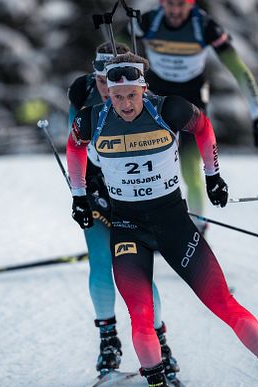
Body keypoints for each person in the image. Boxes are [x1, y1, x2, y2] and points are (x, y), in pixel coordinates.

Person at [66, 52, 258, 387]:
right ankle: (158, 382)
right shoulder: (93, 119)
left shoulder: (168, 109)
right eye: (117, 96)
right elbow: (74, 146)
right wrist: (79, 194)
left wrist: (213, 176)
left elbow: (204, 128)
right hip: (127, 228)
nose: (124, 103)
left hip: (173, 223)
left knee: (222, 302)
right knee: (141, 317)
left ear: (143, 88)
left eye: (131, 95)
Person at [67, 42, 180, 380]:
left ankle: (160, 342)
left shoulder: (135, 96)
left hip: (135, 199)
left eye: (113, 83)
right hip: (96, 190)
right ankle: (108, 340)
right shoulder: (82, 92)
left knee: (137, 272)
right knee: (101, 261)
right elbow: (74, 145)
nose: (109, 90)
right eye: (102, 82)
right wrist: (80, 193)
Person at [134, 0, 258, 227]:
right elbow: (113, 50)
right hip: (156, 98)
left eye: (181, 4)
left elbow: (240, 71)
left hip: (192, 102)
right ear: (163, 2)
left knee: (190, 170)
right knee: (149, 166)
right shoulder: (149, 21)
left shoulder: (204, 26)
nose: (175, 10)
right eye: (170, 4)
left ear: (190, 3)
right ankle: (147, 226)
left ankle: (198, 227)